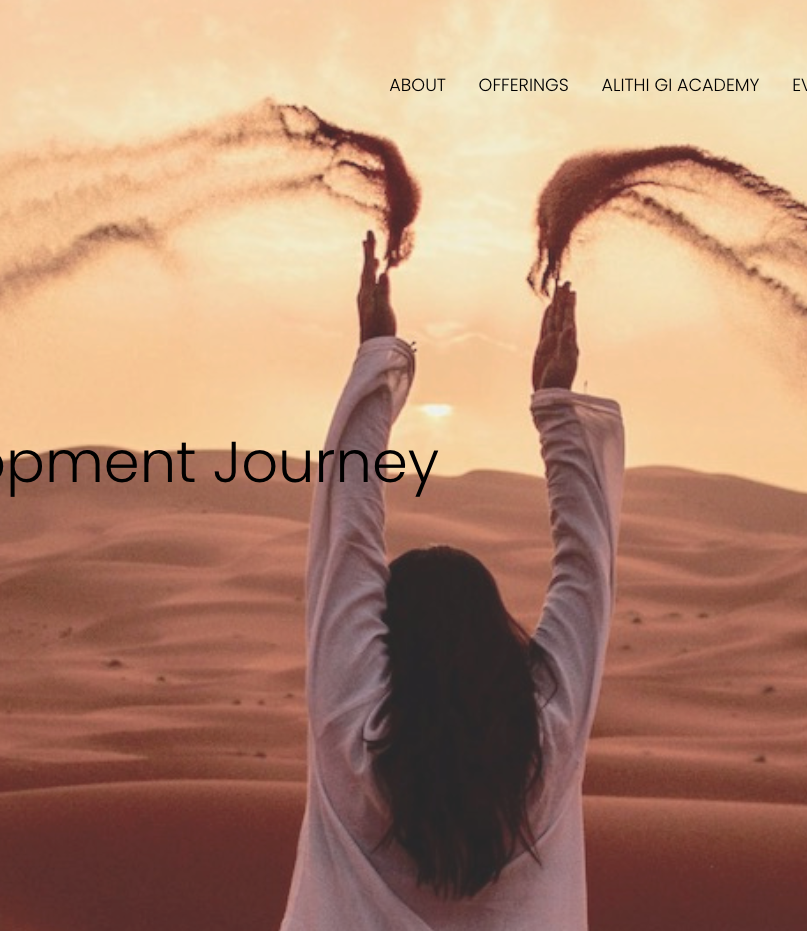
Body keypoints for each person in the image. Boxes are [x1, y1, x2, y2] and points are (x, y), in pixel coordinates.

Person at [278, 232, 625, 930]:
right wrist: (555, 404)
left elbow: (346, 536)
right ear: (498, 638)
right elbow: (587, 569)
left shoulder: (355, 736)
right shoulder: (547, 744)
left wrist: (376, 360)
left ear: (388, 646)